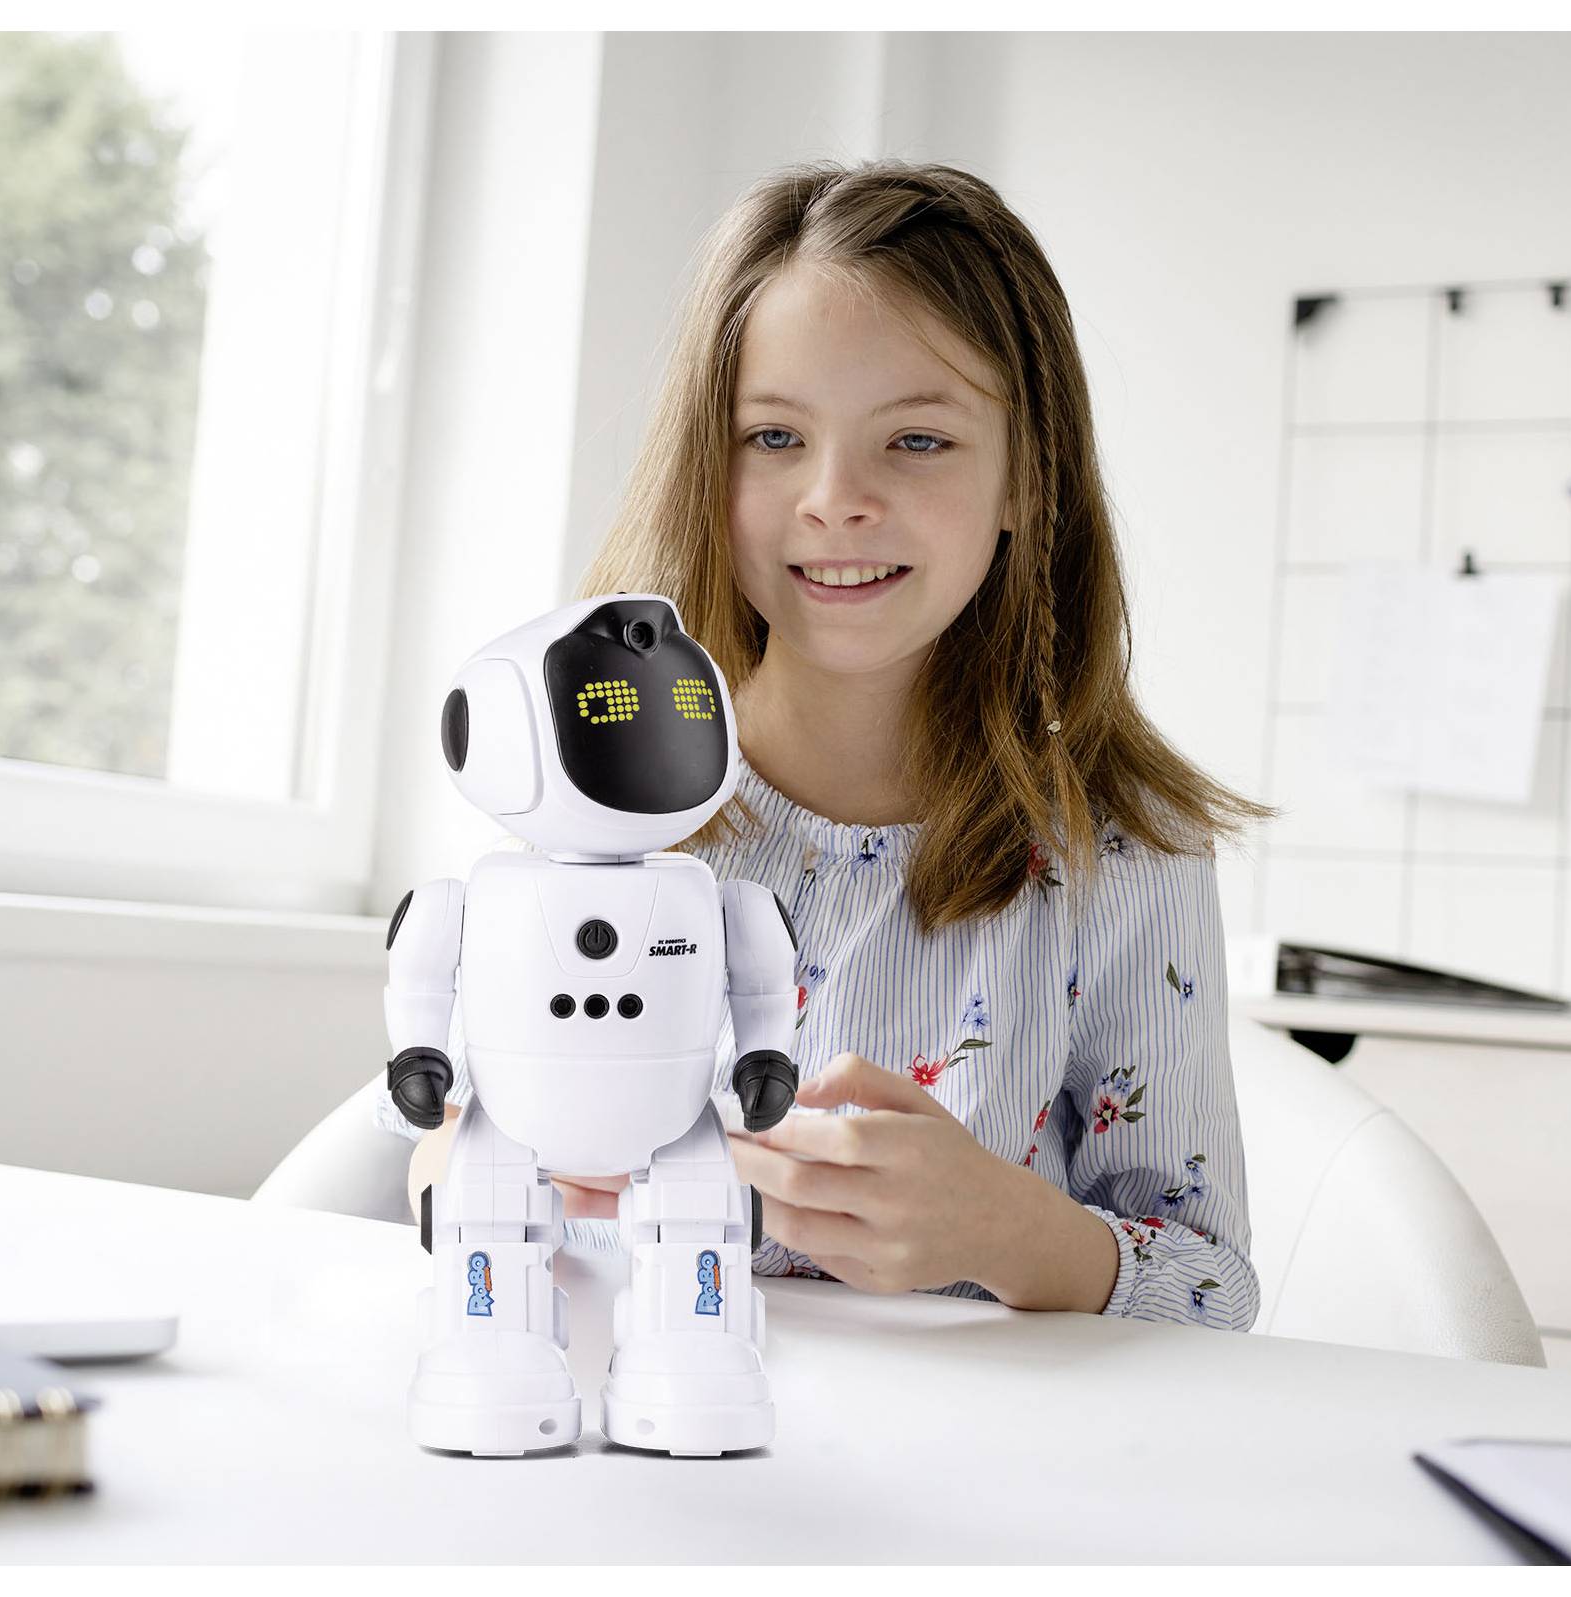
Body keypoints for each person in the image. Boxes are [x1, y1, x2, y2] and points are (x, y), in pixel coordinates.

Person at [384, 158, 1277, 1328]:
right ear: (710, 463)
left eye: (915, 441)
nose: (834, 498)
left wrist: (1009, 1231)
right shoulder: (584, 782)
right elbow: (430, 1153)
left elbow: (1211, 1289)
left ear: (1027, 478)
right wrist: (480, 1181)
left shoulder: (1120, 856)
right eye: (771, 437)